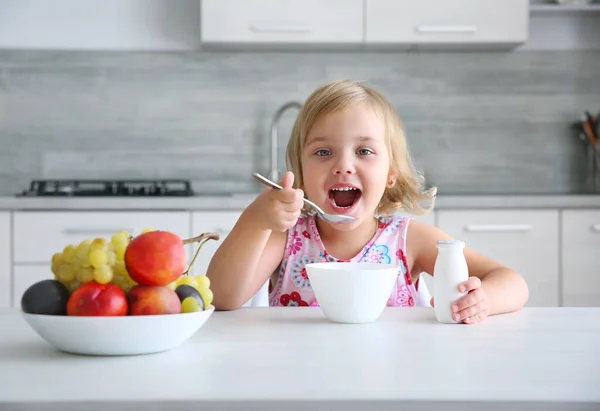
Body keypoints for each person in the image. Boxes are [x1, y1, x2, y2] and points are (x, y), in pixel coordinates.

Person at [206, 79, 529, 324]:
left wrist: (483, 299)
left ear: (390, 173)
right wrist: (255, 221)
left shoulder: (411, 239)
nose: (344, 165)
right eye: (323, 152)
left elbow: (512, 281)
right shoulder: (285, 237)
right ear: (300, 175)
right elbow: (221, 297)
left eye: (364, 151)